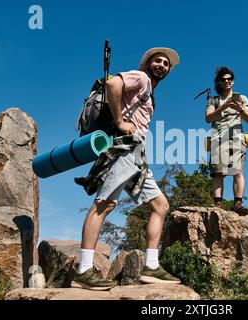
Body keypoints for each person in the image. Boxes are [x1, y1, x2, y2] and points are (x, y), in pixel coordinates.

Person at [72, 48, 181, 290]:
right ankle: (83, 271)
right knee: (104, 204)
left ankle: (151, 266)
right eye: (157, 61)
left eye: (166, 64)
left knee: (160, 205)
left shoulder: (150, 93)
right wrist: (120, 121)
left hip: (137, 154)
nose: (162, 65)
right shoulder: (141, 78)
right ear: (147, 63)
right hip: (123, 150)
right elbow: (112, 83)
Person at [205, 67, 248, 215]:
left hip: (237, 137)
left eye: (229, 79)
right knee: (218, 173)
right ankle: (218, 203)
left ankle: (238, 203)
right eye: (224, 79)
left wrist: (240, 109)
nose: (227, 82)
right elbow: (208, 118)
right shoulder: (214, 100)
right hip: (218, 137)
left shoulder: (242, 98)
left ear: (233, 81)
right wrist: (222, 107)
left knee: (237, 171)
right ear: (219, 81)